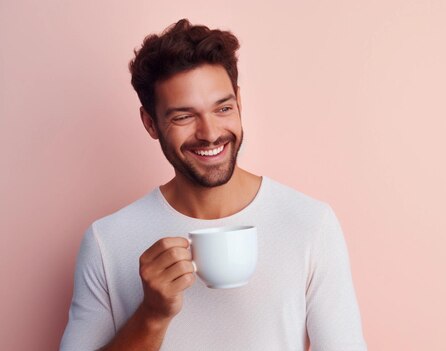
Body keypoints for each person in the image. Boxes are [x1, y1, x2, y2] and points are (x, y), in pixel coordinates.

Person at [60, 19, 366, 351]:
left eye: (222, 108)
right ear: (150, 123)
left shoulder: (309, 223)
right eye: (183, 116)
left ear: (239, 102)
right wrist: (152, 315)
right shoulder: (107, 241)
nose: (210, 132)